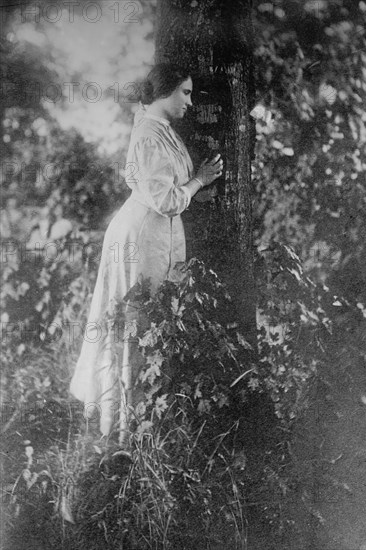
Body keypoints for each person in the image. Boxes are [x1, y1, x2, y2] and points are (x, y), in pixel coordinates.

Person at [70, 63, 224, 436]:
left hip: (153, 233)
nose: (190, 101)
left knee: (148, 320)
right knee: (136, 321)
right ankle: (123, 427)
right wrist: (199, 181)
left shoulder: (158, 130)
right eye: (185, 93)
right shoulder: (149, 136)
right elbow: (166, 199)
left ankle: (142, 423)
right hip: (140, 238)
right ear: (164, 92)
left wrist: (195, 181)